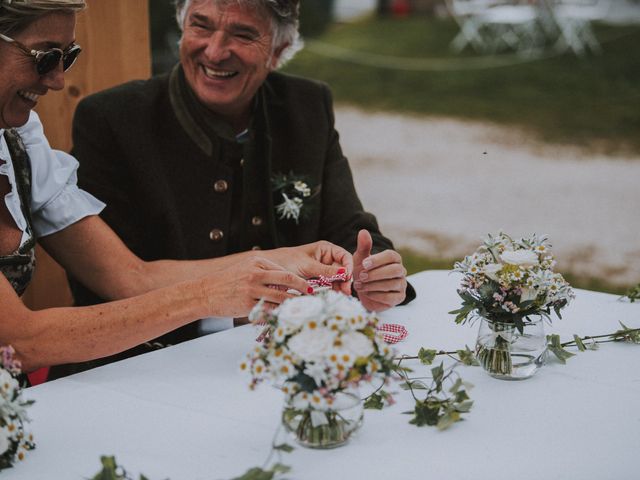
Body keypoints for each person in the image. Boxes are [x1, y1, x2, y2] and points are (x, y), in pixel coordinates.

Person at [0, 0, 353, 375]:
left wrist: (287, 260)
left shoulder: (21, 140)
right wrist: (206, 296)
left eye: (67, 57)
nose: (57, 79)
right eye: (44, 57)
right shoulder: (114, 118)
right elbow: (20, 341)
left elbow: (130, 277)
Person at [69, 0, 415, 323]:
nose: (216, 52)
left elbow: (349, 230)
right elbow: (111, 284)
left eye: (243, 34)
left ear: (279, 51)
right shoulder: (111, 119)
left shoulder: (307, 106)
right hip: (155, 358)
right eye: (200, 26)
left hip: (285, 348)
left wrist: (375, 273)